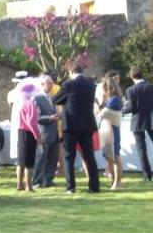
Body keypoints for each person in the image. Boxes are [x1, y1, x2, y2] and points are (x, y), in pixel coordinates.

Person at [53, 64, 100, 194]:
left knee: (69, 157)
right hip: (87, 124)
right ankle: (94, 186)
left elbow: (56, 99)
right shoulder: (91, 85)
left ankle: (70, 187)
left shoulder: (68, 85)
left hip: (71, 125)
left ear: (71, 71)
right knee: (89, 156)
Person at [123, 68, 153, 182]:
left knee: (141, 149)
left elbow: (131, 107)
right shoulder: (151, 86)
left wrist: (122, 110)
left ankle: (147, 175)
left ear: (131, 77)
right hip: (151, 119)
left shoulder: (131, 90)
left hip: (138, 121)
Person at [96, 72, 124, 190]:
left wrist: (98, 106)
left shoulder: (114, 99)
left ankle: (117, 183)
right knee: (107, 155)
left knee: (115, 156)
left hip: (113, 131)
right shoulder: (111, 99)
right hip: (107, 131)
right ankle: (114, 180)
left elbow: (101, 114)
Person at [32, 74, 60, 188]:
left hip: (54, 132)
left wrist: (59, 115)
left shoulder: (53, 97)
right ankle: (37, 181)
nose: (52, 85)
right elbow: (36, 117)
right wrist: (49, 118)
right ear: (43, 84)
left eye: (52, 83)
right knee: (41, 158)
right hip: (44, 132)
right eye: (49, 83)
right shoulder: (37, 98)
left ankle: (48, 180)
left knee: (53, 158)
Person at [14, 80, 40, 192]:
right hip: (29, 133)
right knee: (29, 161)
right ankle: (28, 186)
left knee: (21, 160)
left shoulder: (19, 103)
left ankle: (19, 184)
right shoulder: (30, 104)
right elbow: (32, 122)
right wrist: (37, 135)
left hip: (20, 131)